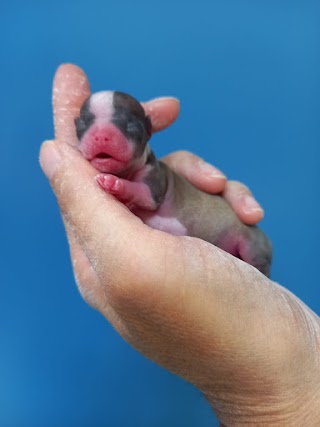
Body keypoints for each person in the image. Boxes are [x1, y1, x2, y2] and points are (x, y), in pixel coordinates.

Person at [39, 64, 320, 426]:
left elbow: (150, 199)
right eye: (88, 126)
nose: (103, 136)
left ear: (149, 131)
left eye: (126, 128)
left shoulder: (150, 175)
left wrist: (281, 390)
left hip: (236, 239)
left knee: (253, 241)